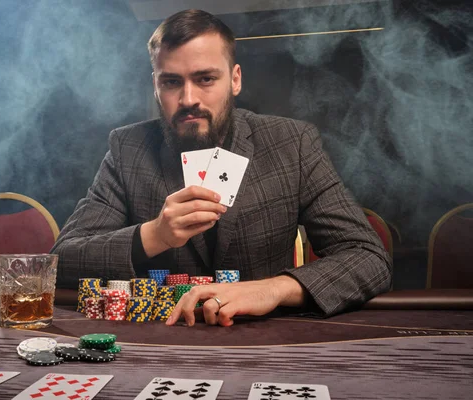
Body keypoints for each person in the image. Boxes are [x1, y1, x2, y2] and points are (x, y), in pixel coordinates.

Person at [51, 9, 392, 327]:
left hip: (265, 339)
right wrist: (154, 235)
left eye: (205, 79)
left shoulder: (292, 143)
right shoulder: (127, 149)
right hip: (162, 339)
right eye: (171, 82)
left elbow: (368, 257)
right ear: (155, 85)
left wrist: (273, 289)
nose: (188, 99)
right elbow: (62, 262)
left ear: (235, 79)